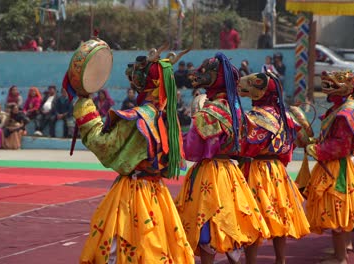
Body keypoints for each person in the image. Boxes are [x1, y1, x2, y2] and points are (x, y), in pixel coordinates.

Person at [74, 47, 194, 263]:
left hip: (133, 192)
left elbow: (104, 145)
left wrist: (85, 106)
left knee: (118, 248)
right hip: (157, 193)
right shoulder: (168, 118)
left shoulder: (139, 117)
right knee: (156, 248)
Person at [175, 53, 269, 264]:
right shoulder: (237, 110)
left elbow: (193, 147)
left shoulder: (210, 110)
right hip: (231, 171)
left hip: (209, 172)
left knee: (207, 223)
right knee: (231, 220)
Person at [237, 72, 310, 263]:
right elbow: (295, 143)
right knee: (280, 215)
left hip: (257, 170)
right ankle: (281, 260)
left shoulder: (254, 117)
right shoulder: (285, 115)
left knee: (253, 218)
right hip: (278, 171)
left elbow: (246, 147)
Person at [304, 71, 354, 263]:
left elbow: (340, 146)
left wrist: (315, 148)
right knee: (342, 213)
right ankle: (342, 249)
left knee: (338, 212)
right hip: (345, 164)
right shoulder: (345, 107)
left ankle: (340, 257)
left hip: (340, 167)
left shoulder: (345, 113)